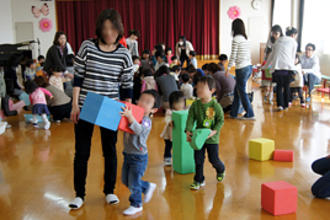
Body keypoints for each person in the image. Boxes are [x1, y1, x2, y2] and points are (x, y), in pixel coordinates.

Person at [69, 9, 134, 210]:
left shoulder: (124, 54)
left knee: (110, 151)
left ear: (119, 29)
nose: (108, 32)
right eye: (104, 28)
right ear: (99, 29)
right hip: (87, 104)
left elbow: (127, 86)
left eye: (112, 28)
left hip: (111, 107)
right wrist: (74, 104)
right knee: (82, 152)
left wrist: (128, 111)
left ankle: (109, 191)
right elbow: (78, 77)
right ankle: (79, 194)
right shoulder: (87, 46)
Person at [120, 90, 159, 215]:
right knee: (125, 180)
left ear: (154, 110)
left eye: (147, 102)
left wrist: (130, 117)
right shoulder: (133, 115)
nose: (142, 103)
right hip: (127, 153)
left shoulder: (147, 120)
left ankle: (136, 204)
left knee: (133, 182)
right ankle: (147, 187)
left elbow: (138, 130)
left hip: (139, 157)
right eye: (141, 99)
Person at [186, 76, 225, 190]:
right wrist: (188, 131)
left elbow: (220, 120)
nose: (198, 90)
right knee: (198, 160)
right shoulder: (195, 105)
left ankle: (221, 169)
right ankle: (199, 180)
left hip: (212, 138)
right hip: (198, 137)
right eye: (197, 88)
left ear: (212, 91)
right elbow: (190, 118)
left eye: (202, 88)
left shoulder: (215, 106)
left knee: (213, 159)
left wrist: (214, 131)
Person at [226, 18, 255, 120]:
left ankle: (250, 113)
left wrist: (228, 68)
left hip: (241, 68)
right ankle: (233, 113)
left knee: (241, 92)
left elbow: (233, 55)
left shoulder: (236, 39)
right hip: (248, 67)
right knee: (237, 90)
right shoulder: (245, 38)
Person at [264, 27, 298, 111]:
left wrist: (264, 67)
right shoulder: (294, 42)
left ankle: (280, 105)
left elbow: (271, 55)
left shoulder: (278, 41)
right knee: (286, 86)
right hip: (287, 68)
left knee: (279, 86)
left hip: (277, 67)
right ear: (293, 35)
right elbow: (292, 57)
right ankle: (286, 105)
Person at [161, 91, 185, 166]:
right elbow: (167, 119)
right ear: (172, 104)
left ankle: (177, 158)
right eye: (177, 103)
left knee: (178, 146)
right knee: (168, 146)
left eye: (182, 102)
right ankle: (167, 158)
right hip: (169, 133)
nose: (180, 105)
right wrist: (170, 122)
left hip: (178, 134)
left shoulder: (184, 112)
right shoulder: (170, 112)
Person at [263, 25, 283, 104]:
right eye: (273, 33)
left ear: (280, 33)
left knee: (274, 85)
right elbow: (267, 51)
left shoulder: (282, 40)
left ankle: (272, 98)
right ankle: (268, 96)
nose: (274, 35)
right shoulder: (271, 40)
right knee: (269, 84)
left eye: (276, 33)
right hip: (270, 63)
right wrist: (266, 62)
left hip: (277, 64)